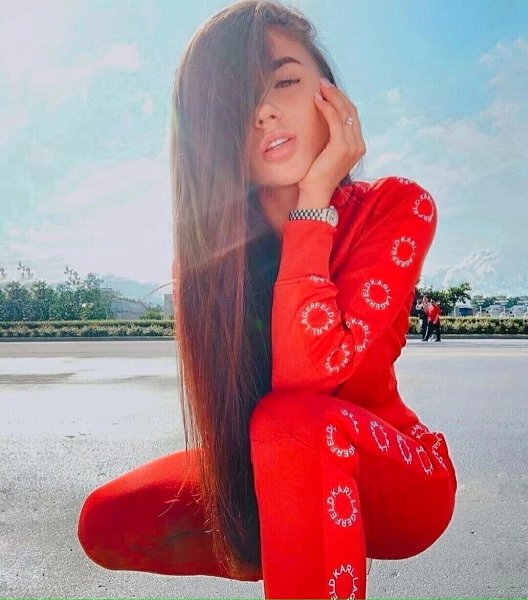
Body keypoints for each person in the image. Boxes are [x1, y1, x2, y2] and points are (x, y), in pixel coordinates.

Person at [77, 2, 457, 598]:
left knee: (290, 421)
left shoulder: (396, 206)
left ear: (329, 95)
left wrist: (314, 201)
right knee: (106, 520)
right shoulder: (209, 263)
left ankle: (307, 553)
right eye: (237, 99)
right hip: (279, 466)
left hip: (397, 479)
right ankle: (302, 544)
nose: (262, 110)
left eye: (284, 81)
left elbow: (312, 376)